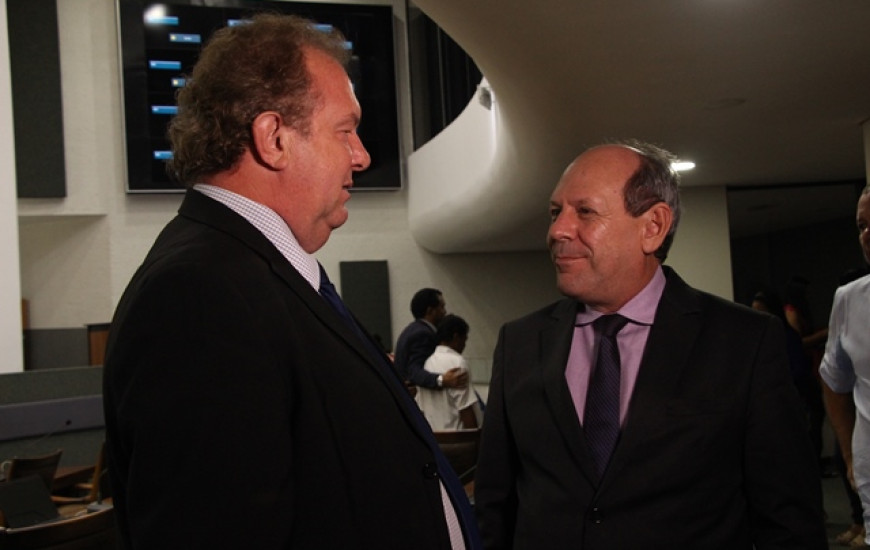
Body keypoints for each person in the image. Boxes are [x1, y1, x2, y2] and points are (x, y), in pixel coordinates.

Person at [102, 14, 480, 550]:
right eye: (345, 131)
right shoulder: (197, 297)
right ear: (274, 138)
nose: (362, 156)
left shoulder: (252, 275)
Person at [474, 140, 827, 549]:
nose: (557, 231)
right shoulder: (519, 343)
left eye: (584, 212)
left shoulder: (745, 342)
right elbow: (495, 508)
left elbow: (789, 520)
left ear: (653, 226)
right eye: (556, 213)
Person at [820, 185, 870, 549]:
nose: (866, 235)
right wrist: (850, 454)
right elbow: (833, 380)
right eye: (862, 226)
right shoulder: (849, 299)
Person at [394, 288, 468, 390]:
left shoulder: (411, 330)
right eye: (442, 307)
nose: (445, 312)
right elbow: (414, 371)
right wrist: (442, 380)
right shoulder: (423, 334)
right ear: (430, 311)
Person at [416, 314, 479, 430]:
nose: (464, 345)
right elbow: (465, 408)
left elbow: (421, 408)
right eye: (464, 340)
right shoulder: (458, 362)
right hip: (457, 437)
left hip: (434, 436)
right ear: (456, 337)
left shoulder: (427, 364)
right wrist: (476, 437)